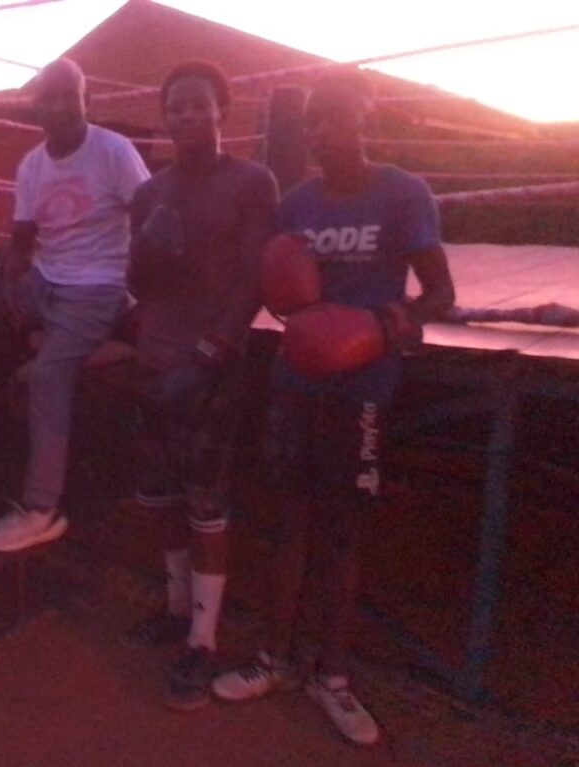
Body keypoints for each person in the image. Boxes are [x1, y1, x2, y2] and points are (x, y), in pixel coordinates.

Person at [211, 72, 455, 746]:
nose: (318, 133)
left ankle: (334, 676)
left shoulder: (402, 193)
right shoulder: (296, 205)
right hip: (297, 383)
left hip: (362, 388)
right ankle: (274, 659)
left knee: (343, 529)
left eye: (331, 118)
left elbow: (441, 294)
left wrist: (383, 325)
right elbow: (281, 293)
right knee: (287, 520)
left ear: (361, 119)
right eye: (310, 122)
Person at [121, 62, 278, 711]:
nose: (186, 117)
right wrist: (151, 251)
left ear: (222, 111)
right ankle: (176, 607)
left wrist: (216, 349)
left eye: (197, 106)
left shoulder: (251, 181)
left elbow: (254, 276)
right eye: (175, 108)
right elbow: (138, 279)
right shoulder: (148, 193)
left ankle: (204, 639)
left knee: (206, 499)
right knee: (160, 495)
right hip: (156, 355)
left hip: (211, 363)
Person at [0, 58, 150, 553]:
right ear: (35, 106)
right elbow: (20, 243)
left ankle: (42, 508)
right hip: (45, 279)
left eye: (68, 95)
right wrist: (10, 287)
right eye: (49, 97)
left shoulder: (113, 151)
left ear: (86, 99)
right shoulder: (32, 163)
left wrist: (143, 291)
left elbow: (150, 219)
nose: (58, 106)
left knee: (48, 375)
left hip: (98, 287)